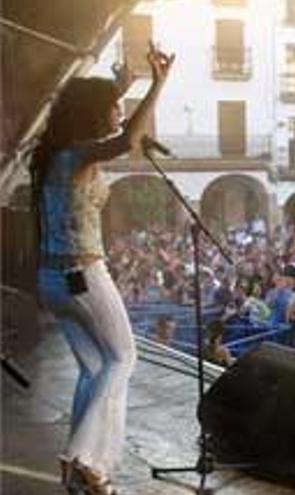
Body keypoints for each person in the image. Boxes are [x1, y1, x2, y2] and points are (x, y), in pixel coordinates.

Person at [32, 42, 173, 494]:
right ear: (94, 114)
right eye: (114, 106)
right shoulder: (75, 155)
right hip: (82, 274)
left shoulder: (59, 153)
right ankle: (84, 458)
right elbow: (125, 138)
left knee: (95, 369)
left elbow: (108, 121)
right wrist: (158, 82)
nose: (120, 111)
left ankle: (86, 476)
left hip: (53, 279)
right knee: (123, 358)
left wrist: (121, 85)